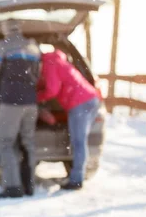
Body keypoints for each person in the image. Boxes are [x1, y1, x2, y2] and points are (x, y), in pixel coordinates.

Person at [0, 19, 41, 199]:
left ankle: (13, 186)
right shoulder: (33, 46)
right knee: (28, 142)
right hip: (31, 102)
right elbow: (37, 74)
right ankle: (29, 185)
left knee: (4, 141)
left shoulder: (2, 47)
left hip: (11, 100)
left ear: (5, 30)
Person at [37, 49, 101, 190]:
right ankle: (76, 175)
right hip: (90, 99)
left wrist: (36, 97)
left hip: (80, 103)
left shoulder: (49, 64)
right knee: (80, 140)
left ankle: (76, 180)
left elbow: (52, 90)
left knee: (78, 141)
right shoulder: (57, 61)